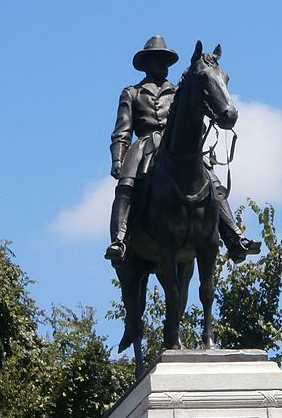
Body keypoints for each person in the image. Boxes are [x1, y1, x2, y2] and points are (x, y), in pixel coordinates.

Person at [105, 35, 256, 263]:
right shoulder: (132, 93)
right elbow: (122, 129)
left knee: (213, 182)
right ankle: (120, 238)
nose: (162, 65)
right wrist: (118, 158)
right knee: (126, 183)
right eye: (157, 60)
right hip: (145, 143)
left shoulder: (178, 90)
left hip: (174, 144)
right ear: (147, 64)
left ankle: (233, 237)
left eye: (165, 60)